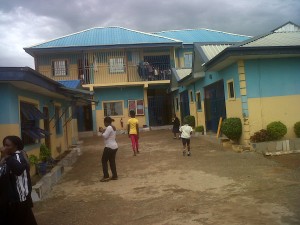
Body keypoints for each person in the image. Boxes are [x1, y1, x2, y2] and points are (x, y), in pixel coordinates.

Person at [0, 135, 38, 225]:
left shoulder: (18, 157)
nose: (4, 148)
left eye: (7, 145)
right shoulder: (7, 158)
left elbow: (18, 170)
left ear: (16, 146)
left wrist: (5, 156)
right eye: (4, 145)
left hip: (19, 200)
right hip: (9, 200)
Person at [99, 117, 118, 182]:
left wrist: (102, 131)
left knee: (104, 161)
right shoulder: (113, 127)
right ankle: (115, 175)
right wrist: (103, 130)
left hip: (109, 147)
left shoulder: (109, 127)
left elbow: (105, 136)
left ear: (106, 122)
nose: (104, 124)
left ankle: (106, 176)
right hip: (114, 147)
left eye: (104, 122)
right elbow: (108, 132)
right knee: (112, 161)